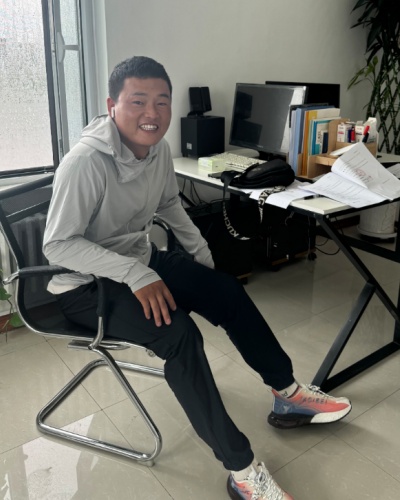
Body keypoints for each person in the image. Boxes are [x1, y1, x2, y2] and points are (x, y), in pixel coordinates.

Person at [43, 56, 352, 500]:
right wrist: (134, 273)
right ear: (112, 106)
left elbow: (170, 205)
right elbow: (57, 245)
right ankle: (241, 469)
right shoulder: (85, 163)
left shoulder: (155, 150)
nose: (152, 113)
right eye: (138, 101)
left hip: (140, 261)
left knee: (225, 290)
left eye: (161, 101)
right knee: (179, 335)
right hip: (83, 285)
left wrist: (203, 260)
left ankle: (287, 394)